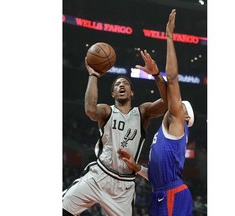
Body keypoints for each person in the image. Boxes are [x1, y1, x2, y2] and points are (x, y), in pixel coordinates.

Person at [62, 46, 168, 215]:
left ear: (132, 92)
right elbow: (90, 110)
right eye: (117, 84)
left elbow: (168, 102)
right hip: (99, 176)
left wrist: (156, 75)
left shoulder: (142, 112)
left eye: (125, 83)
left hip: (123, 187)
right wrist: (93, 76)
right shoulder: (107, 111)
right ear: (113, 93)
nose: (121, 85)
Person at [118, 9, 195, 216]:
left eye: (182, 106)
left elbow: (173, 80)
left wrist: (169, 37)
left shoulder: (178, 124)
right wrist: (135, 167)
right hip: (159, 193)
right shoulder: (165, 130)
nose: (178, 106)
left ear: (186, 117)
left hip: (173, 194)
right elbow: (154, 176)